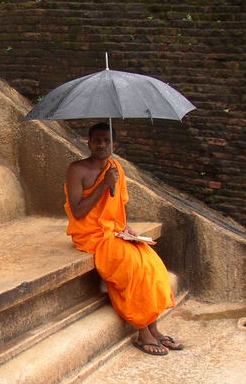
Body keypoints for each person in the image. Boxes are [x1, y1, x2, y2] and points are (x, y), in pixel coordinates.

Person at [64, 122, 182, 355]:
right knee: (132, 269)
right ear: (88, 143)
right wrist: (104, 185)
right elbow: (78, 212)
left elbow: (118, 206)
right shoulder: (77, 169)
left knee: (152, 264)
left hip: (115, 231)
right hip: (92, 236)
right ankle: (142, 333)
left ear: (114, 144)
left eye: (107, 140)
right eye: (96, 140)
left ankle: (154, 328)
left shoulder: (117, 168)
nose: (101, 144)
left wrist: (128, 229)